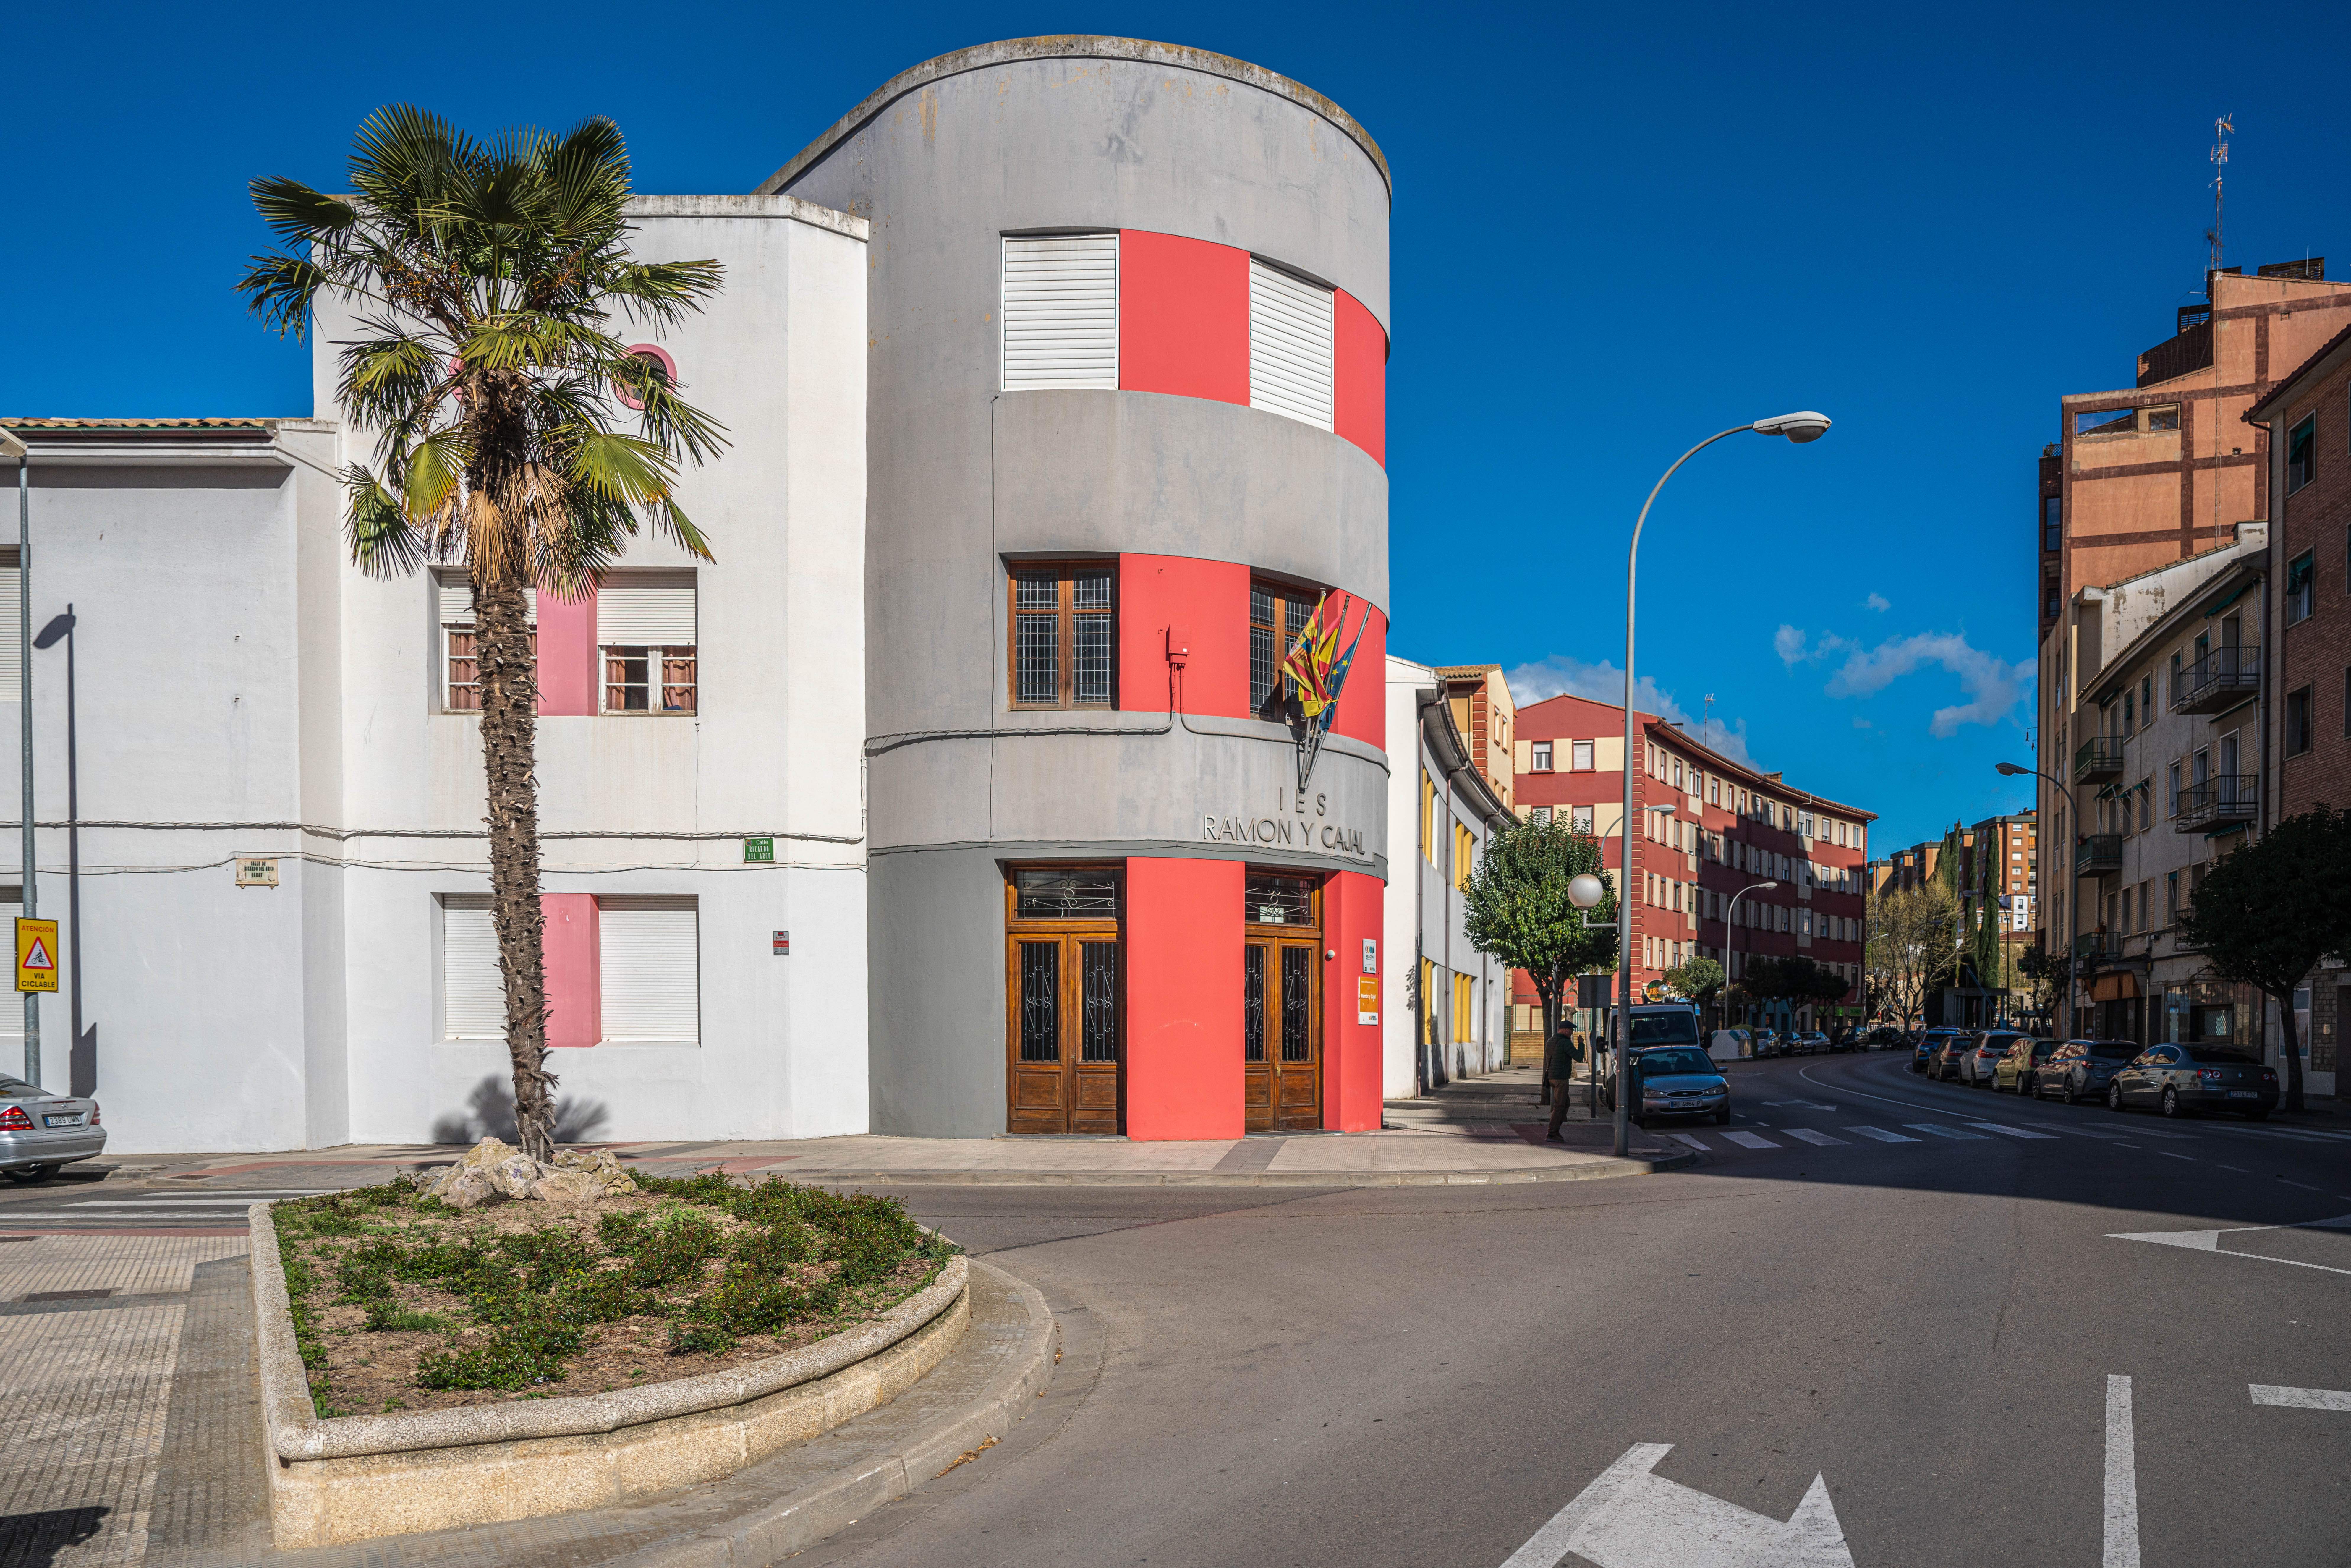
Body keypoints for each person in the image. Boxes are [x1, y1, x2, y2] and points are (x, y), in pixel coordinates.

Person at [1545, 1024, 1586, 1141]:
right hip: (1561, 1079)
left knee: (1566, 1103)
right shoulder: (1565, 1043)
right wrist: (1581, 1044)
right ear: (1567, 1031)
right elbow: (1579, 1057)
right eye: (1572, 1031)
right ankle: (1552, 1133)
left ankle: (1556, 1129)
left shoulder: (1551, 1041)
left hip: (1551, 1078)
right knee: (1559, 1106)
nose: (1572, 1033)